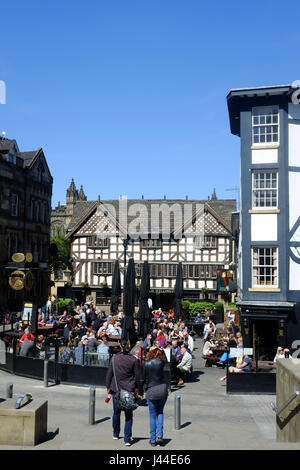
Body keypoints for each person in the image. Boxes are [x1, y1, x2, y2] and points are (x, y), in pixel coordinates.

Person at [106, 339, 143, 446]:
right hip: (129, 390)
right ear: (129, 346)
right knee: (128, 415)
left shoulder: (114, 358)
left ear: (120, 346)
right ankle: (127, 439)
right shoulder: (133, 360)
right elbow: (138, 378)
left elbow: (109, 374)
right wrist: (139, 391)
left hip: (116, 389)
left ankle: (115, 434)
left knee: (116, 413)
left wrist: (108, 387)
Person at [142, 348, 168, 447]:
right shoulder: (162, 362)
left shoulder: (146, 363)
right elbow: (166, 359)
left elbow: (142, 379)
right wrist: (162, 351)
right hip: (162, 388)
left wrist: (140, 391)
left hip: (151, 389)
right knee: (160, 412)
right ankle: (160, 436)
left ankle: (152, 440)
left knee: (152, 415)